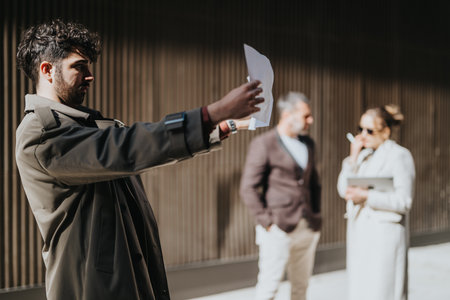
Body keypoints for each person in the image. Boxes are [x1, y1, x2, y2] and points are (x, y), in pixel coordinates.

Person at [15, 19, 264, 300]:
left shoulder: (83, 124)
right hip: (91, 285)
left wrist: (221, 127)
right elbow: (126, 147)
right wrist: (211, 113)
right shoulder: (40, 131)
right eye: (79, 66)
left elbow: (132, 150)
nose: (90, 75)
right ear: (47, 70)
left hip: (126, 272)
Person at [240, 92, 321, 300]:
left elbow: (314, 184)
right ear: (287, 114)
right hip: (277, 228)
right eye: (306, 116)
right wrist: (267, 223)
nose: (310, 120)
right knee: (269, 287)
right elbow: (248, 188)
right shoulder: (264, 144)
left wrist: (316, 216)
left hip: (307, 227)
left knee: (301, 287)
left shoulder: (308, 143)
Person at [337, 105, 415, 300]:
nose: (363, 135)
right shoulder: (363, 156)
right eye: (360, 129)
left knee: (383, 291)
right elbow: (342, 189)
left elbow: (404, 201)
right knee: (361, 289)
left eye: (369, 130)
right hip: (361, 233)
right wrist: (352, 157)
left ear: (386, 132)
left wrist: (367, 197)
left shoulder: (399, 155)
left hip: (385, 236)